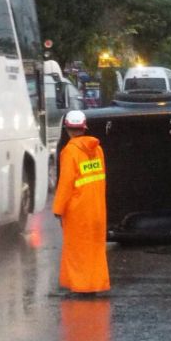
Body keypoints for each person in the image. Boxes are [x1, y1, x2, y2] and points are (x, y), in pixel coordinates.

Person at [53, 110, 110, 295]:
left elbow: (66, 183)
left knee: (77, 249)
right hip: (97, 208)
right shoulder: (97, 150)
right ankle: (95, 283)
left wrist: (58, 209)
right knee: (95, 248)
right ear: (84, 128)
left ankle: (81, 286)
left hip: (78, 211)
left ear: (67, 129)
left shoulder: (69, 152)